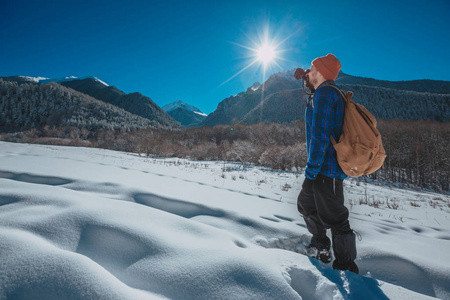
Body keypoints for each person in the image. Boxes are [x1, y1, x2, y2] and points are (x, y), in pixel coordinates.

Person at [295, 54, 358, 274]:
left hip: (326, 171)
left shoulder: (325, 94)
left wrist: (310, 175)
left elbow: (320, 137)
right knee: (306, 206)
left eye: (311, 69)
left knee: (336, 218)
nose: (308, 72)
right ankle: (321, 246)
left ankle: (346, 266)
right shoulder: (325, 93)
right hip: (322, 169)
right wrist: (308, 82)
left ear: (320, 72)